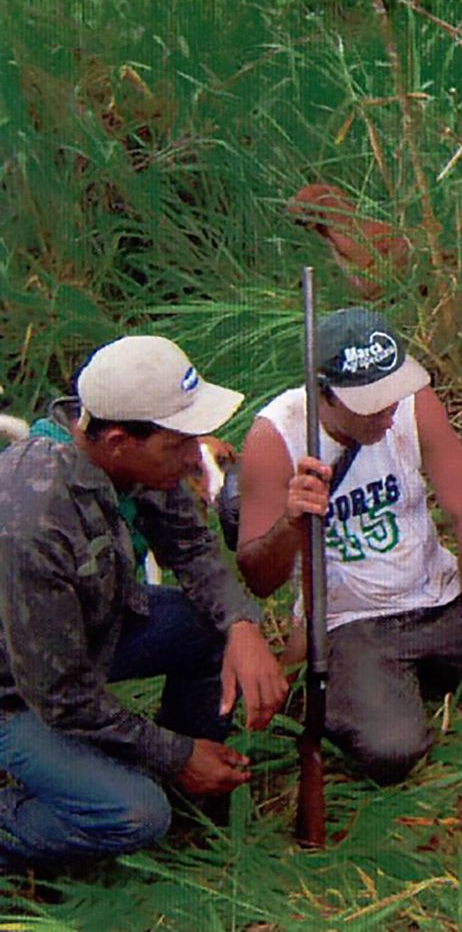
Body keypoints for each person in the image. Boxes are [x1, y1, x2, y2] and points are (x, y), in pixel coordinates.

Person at [0, 336, 287, 867]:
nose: (192, 456)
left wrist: (243, 626)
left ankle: (196, 784)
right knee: (133, 814)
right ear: (116, 441)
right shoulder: (31, 522)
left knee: (210, 627)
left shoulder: (142, 459)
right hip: (18, 691)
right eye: (178, 444)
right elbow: (58, 696)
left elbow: (193, 548)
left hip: (95, 633)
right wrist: (173, 753)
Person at [235, 308, 462, 785]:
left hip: (438, 596)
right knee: (390, 750)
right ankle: (377, 689)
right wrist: (290, 524)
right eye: (371, 403)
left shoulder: (414, 404)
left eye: (391, 394)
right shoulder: (276, 437)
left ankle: (423, 676)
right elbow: (259, 578)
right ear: (323, 394)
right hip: (354, 623)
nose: (389, 411)